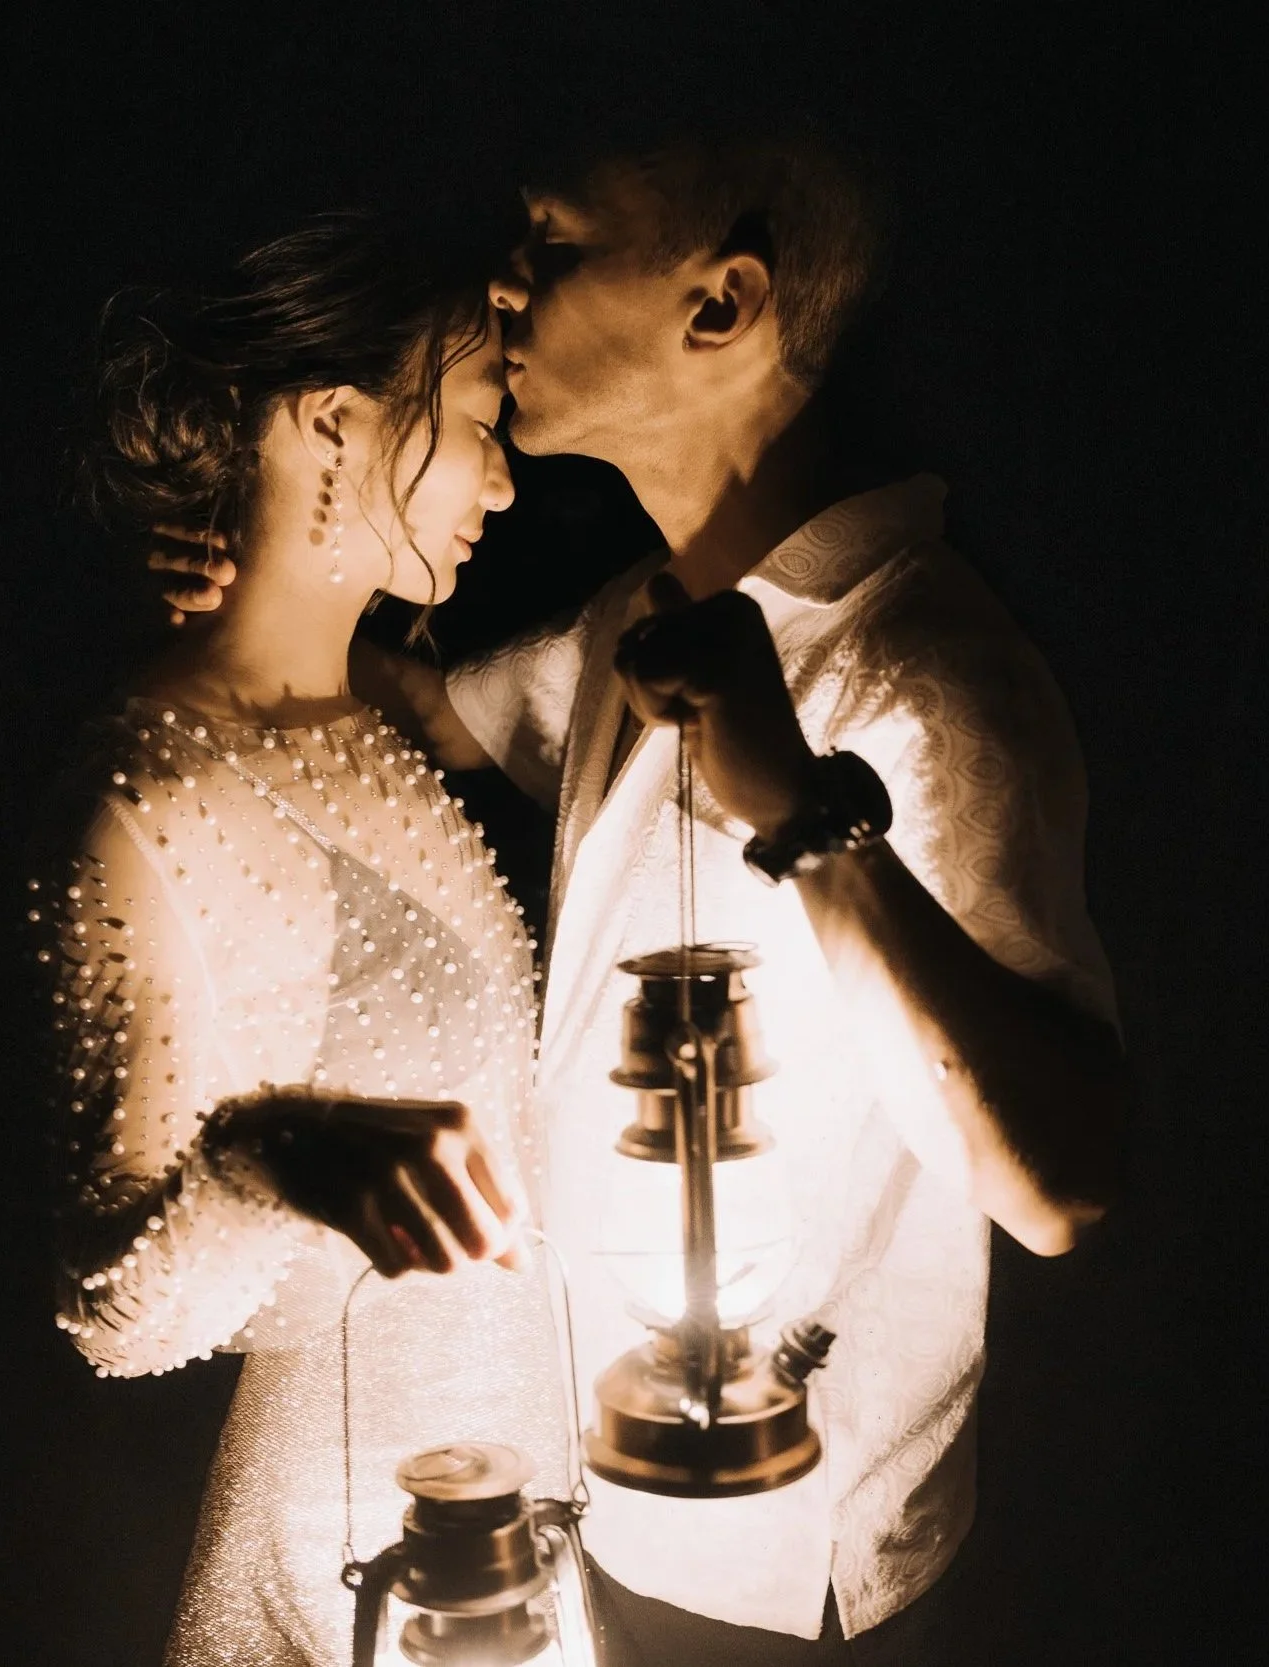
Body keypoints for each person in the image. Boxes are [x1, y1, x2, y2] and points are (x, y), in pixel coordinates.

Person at [159, 117, 1128, 1664]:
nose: (504, 285)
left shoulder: (921, 672)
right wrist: (272, 572)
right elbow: (429, 709)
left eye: (556, 243)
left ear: (722, 305)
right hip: (610, 1518)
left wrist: (805, 813)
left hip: (794, 1583)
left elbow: (1058, 1179)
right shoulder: (639, 621)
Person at [32, 210, 575, 1666]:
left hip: (518, 1535)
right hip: (354, 1574)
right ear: (335, 419)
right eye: (477, 419)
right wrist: (270, 1153)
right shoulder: (155, 794)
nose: (503, 478)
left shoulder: (371, 718)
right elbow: (108, 1312)